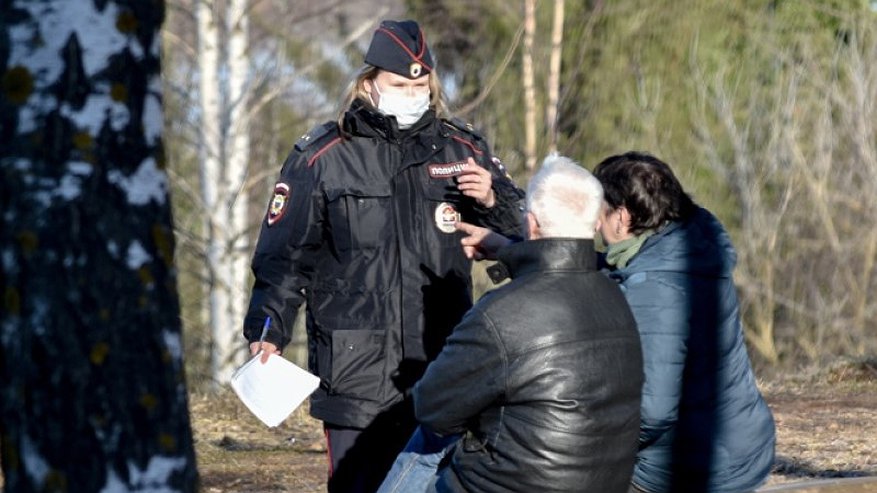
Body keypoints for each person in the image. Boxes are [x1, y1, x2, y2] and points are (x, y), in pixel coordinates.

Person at [240, 19, 526, 493]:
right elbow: (284, 258)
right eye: (399, 84)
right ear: (369, 82)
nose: (412, 93)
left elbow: (527, 238)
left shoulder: (463, 148)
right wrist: (268, 330)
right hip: (355, 369)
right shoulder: (323, 156)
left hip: (445, 362)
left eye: (421, 84)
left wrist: (494, 200)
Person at [381, 154, 644, 492]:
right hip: (603, 481)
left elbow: (432, 407)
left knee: (429, 438)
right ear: (595, 224)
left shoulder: (502, 313)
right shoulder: (618, 297)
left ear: (531, 224)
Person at [592, 151, 776, 493]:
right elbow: (619, 270)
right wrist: (516, 249)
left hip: (694, 468)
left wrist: (590, 440)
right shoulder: (688, 250)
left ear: (622, 217)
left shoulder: (655, 288)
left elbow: (653, 411)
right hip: (744, 443)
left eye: (599, 213)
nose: (594, 225)